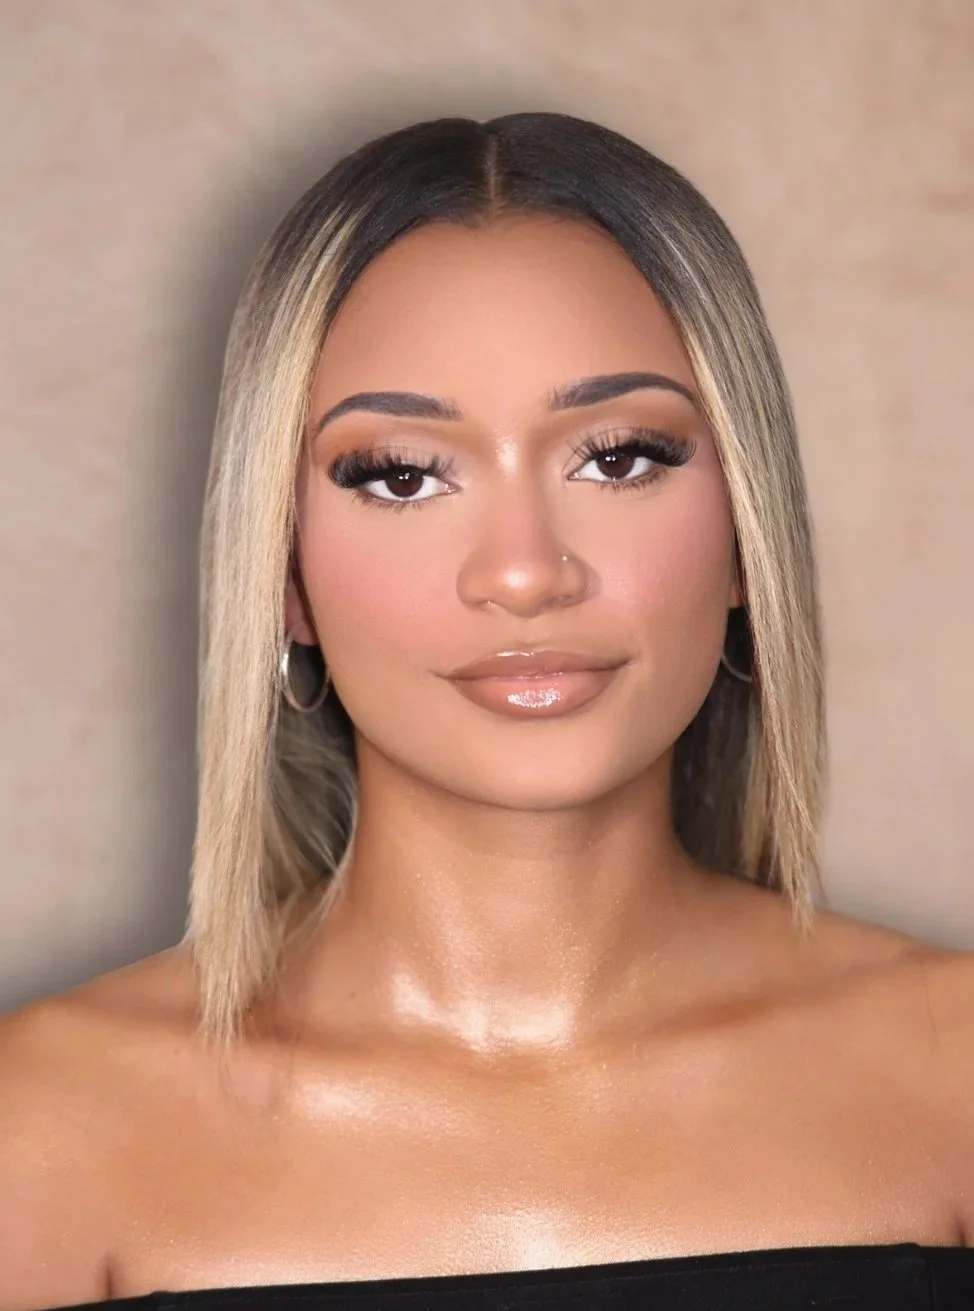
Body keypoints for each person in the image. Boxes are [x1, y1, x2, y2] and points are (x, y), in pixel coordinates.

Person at [0, 111, 971, 1311]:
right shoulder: (41, 1132)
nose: (521, 571)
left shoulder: (953, 1075)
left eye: (617, 456)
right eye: (401, 475)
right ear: (285, 576)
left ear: (743, 536)